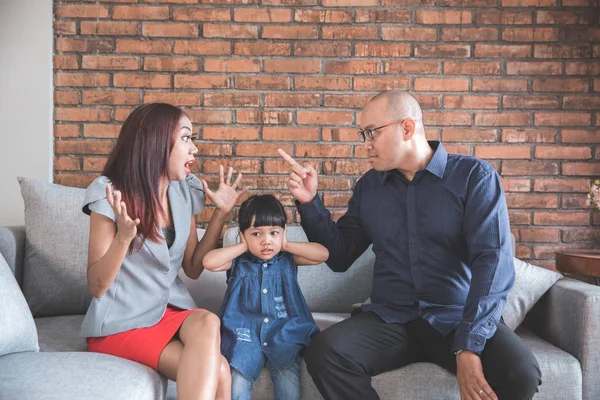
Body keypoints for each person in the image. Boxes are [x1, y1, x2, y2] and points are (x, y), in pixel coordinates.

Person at [278, 91, 542, 400]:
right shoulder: (369, 188)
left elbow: (493, 262)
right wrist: (311, 204)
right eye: (363, 134)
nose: (366, 143)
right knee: (325, 352)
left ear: (406, 128)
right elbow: (340, 256)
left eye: (371, 132)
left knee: (521, 372)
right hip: (391, 318)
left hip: (455, 317)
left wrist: (469, 344)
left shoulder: (474, 177)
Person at [80, 102, 247, 400]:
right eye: (185, 138)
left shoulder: (185, 192)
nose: (194, 148)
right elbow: (96, 286)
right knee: (219, 371)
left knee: (208, 321)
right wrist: (124, 238)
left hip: (167, 312)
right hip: (121, 321)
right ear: (156, 142)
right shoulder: (110, 192)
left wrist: (221, 214)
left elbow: (193, 267)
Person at [203, 194, 328, 400]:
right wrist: (243, 246)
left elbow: (323, 254)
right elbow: (209, 262)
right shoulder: (239, 262)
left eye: (273, 233)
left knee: (287, 374)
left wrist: (286, 244)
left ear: (283, 232)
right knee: (238, 376)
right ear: (243, 235)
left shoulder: (287, 259)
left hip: (284, 330)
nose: (266, 241)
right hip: (244, 333)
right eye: (256, 234)